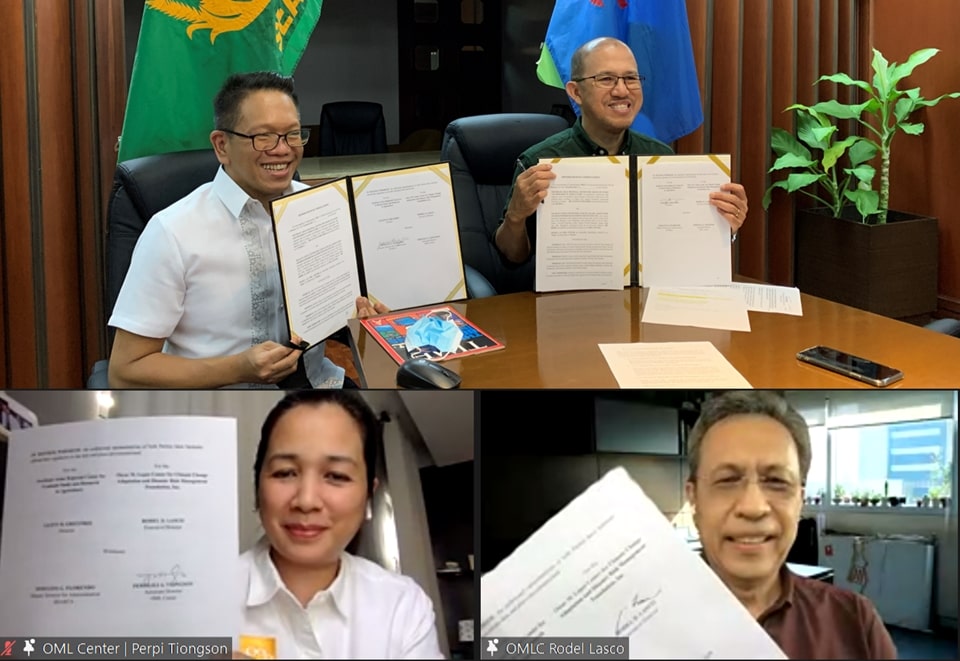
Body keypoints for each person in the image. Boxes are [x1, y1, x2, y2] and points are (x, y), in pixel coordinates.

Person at [108, 72, 386, 389]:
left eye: (293, 134)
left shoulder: (320, 208)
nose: (282, 150)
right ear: (222, 145)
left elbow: (334, 310)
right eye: (262, 137)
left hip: (317, 386)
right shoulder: (173, 232)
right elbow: (125, 371)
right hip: (220, 405)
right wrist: (237, 368)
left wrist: (362, 315)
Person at [495, 37, 749, 265]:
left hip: (649, 301)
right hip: (568, 304)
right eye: (606, 79)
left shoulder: (659, 158)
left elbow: (682, 251)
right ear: (576, 92)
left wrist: (723, 226)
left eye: (630, 78)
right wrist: (515, 217)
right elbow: (512, 257)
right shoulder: (540, 161)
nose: (621, 90)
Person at [685, 391, 897, 659]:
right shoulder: (624, 627)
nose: (753, 507)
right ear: (693, 498)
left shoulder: (856, 623)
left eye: (776, 481)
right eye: (727, 480)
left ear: (800, 501)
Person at [237, 390, 444, 659]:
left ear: (369, 496)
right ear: (258, 488)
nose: (307, 500)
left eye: (336, 476)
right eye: (285, 472)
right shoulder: (197, 597)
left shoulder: (402, 605)